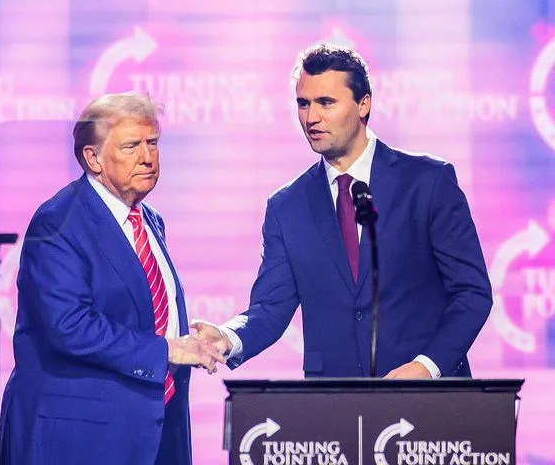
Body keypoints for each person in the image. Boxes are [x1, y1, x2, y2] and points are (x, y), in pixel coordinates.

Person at [192, 43, 492, 379]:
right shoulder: (286, 207)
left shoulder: (427, 183)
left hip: (427, 399)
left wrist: (427, 365)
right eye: (303, 104)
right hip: (334, 400)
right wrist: (228, 337)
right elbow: (271, 307)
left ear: (364, 104)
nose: (311, 117)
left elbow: (472, 293)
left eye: (326, 102)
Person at [0, 92, 224, 465]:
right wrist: (166, 350)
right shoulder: (59, 222)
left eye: (153, 143)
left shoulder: (149, 220)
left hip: (152, 430)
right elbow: (69, 326)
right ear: (94, 158)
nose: (147, 157)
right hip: (81, 438)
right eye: (132, 146)